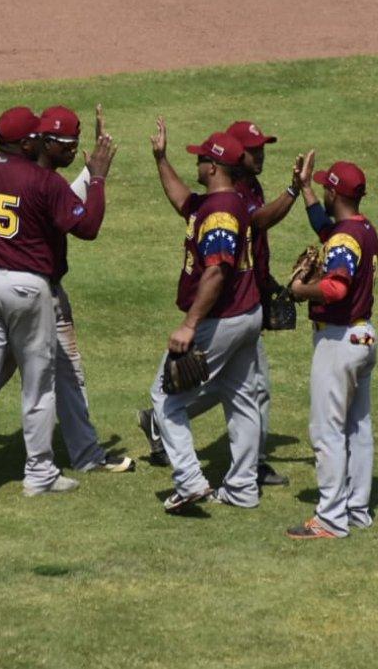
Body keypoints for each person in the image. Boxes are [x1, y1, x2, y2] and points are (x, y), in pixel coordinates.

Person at [0, 105, 133, 477]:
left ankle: (86, 453)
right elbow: (83, 223)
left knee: (61, 373)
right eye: (41, 136)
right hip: (32, 294)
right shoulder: (37, 181)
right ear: (29, 142)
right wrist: (97, 177)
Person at [137, 119, 298, 486]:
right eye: (253, 150)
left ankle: (196, 479)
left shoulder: (226, 206)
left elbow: (218, 271)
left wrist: (190, 324)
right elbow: (184, 202)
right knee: (240, 392)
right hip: (236, 310)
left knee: (174, 396)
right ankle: (243, 482)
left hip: (226, 312)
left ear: (212, 167)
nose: (258, 155)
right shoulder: (223, 200)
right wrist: (161, 159)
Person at [285, 160, 378, 539]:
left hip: (338, 342)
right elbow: (327, 229)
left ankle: (330, 519)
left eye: (326, 187)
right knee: (358, 428)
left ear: (336, 194)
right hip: (363, 337)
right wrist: (305, 187)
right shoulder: (362, 228)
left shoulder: (343, 241)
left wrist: (299, 291)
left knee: (327, 430)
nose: (323, 191)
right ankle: (356, 508)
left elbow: (336, 288)